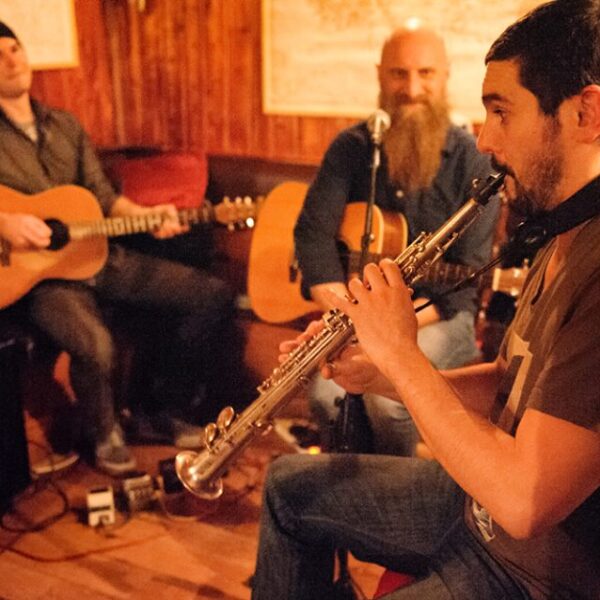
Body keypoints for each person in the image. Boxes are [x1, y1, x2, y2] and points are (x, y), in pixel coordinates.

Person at [252, 0, 600, 597]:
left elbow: (524, 501)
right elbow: (510, 382)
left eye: (501, 112)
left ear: (585, 113)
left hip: (531, 569)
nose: (487, 139)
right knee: (287, 485)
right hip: (475, 510)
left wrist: (404, 357)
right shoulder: (559, 226)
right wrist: (378, 371)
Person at [0, 22, 237, 476]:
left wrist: (152, 217)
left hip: (99, 255)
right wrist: (6, 222)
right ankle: (104, 431)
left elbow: (104, 199)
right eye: (1, 55)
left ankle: (161, 409)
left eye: (16, 48)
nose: (13, 60)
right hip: (40, 277)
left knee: (210, 295)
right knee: (97, 345)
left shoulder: (65, 125)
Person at [294, 23, 500, 455]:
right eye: (398, 74)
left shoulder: (474, 159)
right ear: (379, 75)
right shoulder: (352, 148)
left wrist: (380, 330)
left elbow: (458, 284)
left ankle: (404, 491)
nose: (411, 88)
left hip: (439, 318)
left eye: (425, 73)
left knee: (387, 405)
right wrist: (351, 319)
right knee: (324, 396)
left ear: (445, 77)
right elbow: (313, 236)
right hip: (360, 319)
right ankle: (344, 495)